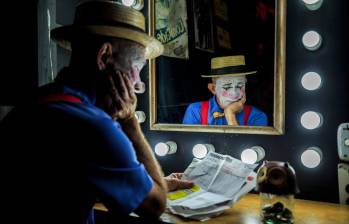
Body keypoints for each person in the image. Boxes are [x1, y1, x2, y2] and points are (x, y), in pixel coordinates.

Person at [0, 1, 193, 223]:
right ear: (103, 56)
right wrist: (130, 121)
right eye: (137, 68)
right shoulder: (93, 127)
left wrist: (155, 182)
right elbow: (155, 206)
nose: (139, 84)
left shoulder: (33, 103)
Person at [183, 55, 268, 126]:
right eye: (227, 87)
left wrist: (230, 114)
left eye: (240, 86)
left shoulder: (257, 116)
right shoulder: (195, 111)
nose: (234, 93)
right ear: (213, 88)